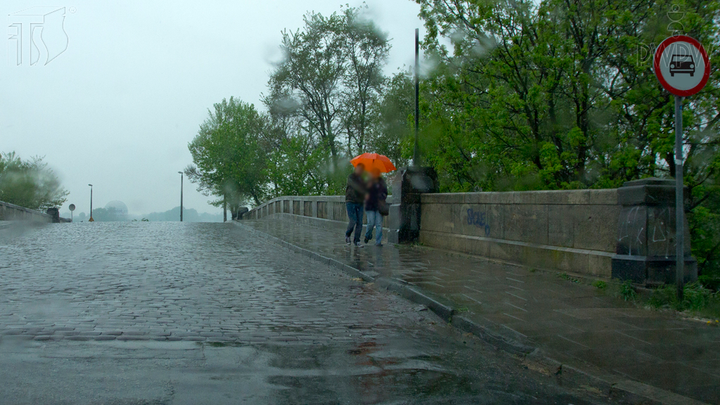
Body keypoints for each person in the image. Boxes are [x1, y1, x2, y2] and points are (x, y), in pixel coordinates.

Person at [345, 163, 367, 247]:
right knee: (353, 220)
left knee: (360, 222)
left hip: (360, 202)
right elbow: (354, 186)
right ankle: (347, 235)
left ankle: (357, 240)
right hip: (350, 201)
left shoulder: (362, 179)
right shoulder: (351, 177)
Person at [364, 168, 388, 246]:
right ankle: (368, 235)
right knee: (370, 223)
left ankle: (378, 242)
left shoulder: (382, 182)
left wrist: (380, 195)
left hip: (379, 206)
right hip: (370, 206)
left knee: (379, 224)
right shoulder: (368, 181)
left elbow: (385, 193)